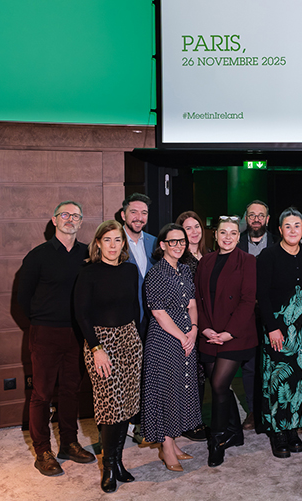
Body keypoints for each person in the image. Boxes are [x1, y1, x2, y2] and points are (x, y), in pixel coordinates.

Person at [17, 200, 96, 477]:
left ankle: (69, 443)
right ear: (54, 220)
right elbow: (22, 299)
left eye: (76, 216)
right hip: (45, 333)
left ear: (81, 222)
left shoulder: (88, 254)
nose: (70, 219)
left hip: (76, 333)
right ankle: (43, 452)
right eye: (65, 215)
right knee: (41, 394)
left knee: (71, 391)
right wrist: (42, 320)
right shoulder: (37, 256)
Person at [73, 220, 141, 493]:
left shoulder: (130, 271)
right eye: (108, 240)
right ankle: (108, 467)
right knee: (110, 407)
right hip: (101, 343)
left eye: (118, 240)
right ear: (98, 243)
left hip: (130, 340)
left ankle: (119, 462)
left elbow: (134, 308)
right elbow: (82, 315)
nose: (113, 246)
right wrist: (96, 348)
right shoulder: (88, 273)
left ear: (123, 244)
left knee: (125, 405)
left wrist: (137, 341)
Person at [256, 207, 302, 458]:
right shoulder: (268, 255)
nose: (293, 230)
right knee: (279, 380)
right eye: (288, 226)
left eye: (297, 226)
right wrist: (272, 328)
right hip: (279, 329)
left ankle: (294, 429)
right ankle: (278, 432)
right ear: (280, 229)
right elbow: (261, 294)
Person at [194, 216, 258, 467]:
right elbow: (198, 298)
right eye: (223, 232)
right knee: (218, 385)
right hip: (210, 333)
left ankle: (217, 440)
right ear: (216, 235)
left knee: (219, 385)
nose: (228, 237)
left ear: (238, 237)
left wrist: (229, 332)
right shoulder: (206, 261)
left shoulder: (248, 261)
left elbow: (247, 300)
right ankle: (234, 432)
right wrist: (206, 329)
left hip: (236, 335)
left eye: (233, 233)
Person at [141, 223, 201, 472]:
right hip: (164, 340)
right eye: (173, 241)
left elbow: (192, 303)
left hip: (187, 335)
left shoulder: (185, 270)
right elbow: (158, 312)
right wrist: (182, 337)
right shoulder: (155, 274)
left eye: (182, 241)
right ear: (163, 245)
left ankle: (173, 442)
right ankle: (166, 448)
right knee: (166, 392)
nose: (178, 246)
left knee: (179, 389)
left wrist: (194, 330)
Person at [237, 199, 277, 431]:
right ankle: (253, 411)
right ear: (246, 218)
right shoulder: (236, 243)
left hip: (272, 313)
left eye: (260, 215)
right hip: (246, 316)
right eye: (251, 215)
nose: (256, 219)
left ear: (267, 219)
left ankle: (273, 409)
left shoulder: (278, 243)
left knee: (274, 363)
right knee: (250, 366)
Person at [175, 210, 210, 442]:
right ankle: (189, 423)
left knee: (202, 374)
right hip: (188, 323)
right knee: (189, 374)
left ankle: (196, 418)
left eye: (196, 226)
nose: (194, 231)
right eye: (188, 228)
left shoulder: (208, 256)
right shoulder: (179, 259)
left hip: (207, 321)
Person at [122, 193, 157, 339]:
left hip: (152, 319)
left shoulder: (155, 242)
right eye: (134, 212)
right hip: (124, 319)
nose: (139, 217)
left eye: (144, 213)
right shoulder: (113, 243)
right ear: (123, 215)